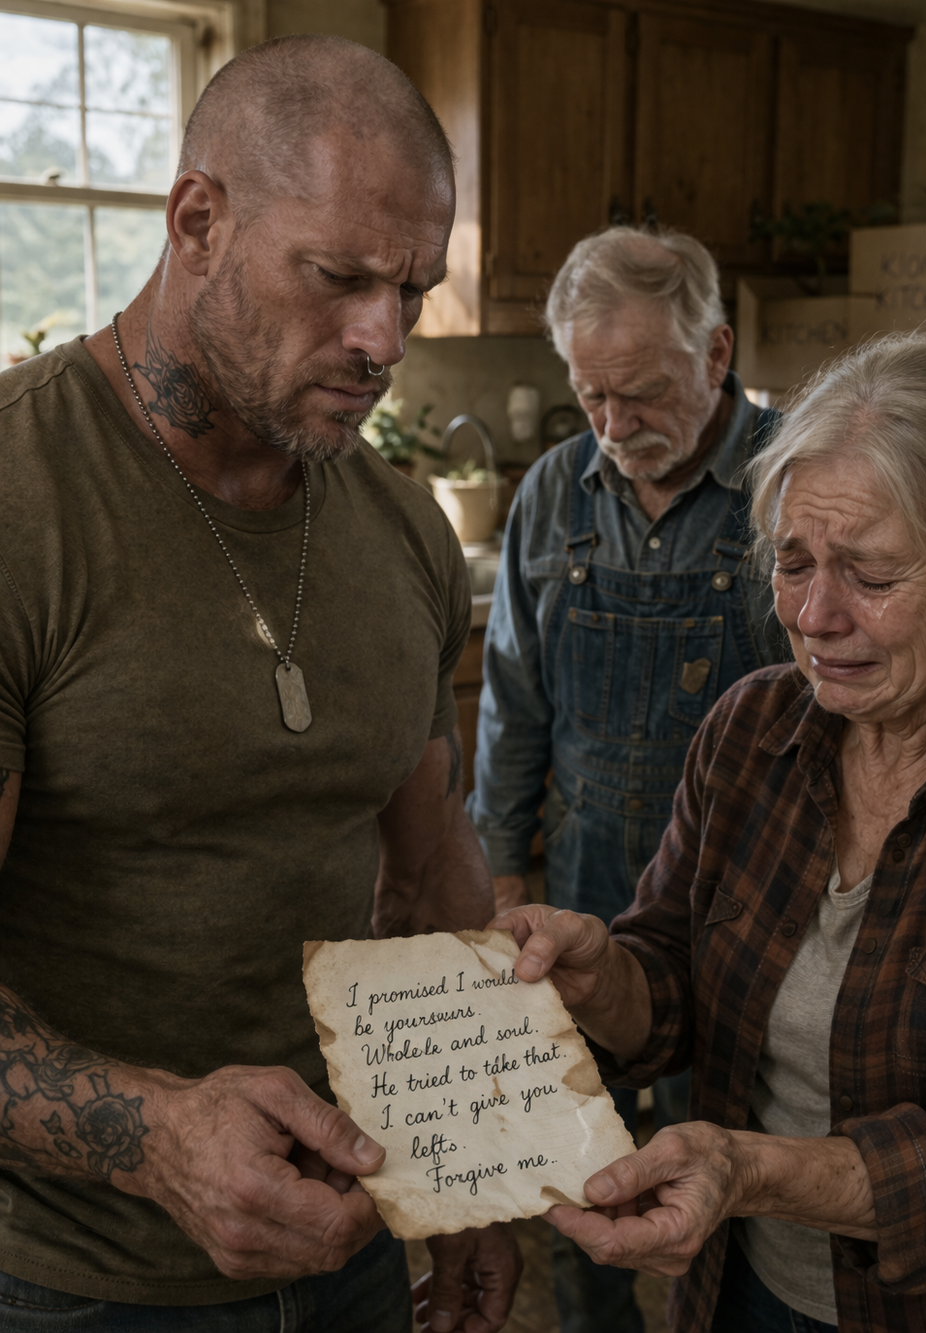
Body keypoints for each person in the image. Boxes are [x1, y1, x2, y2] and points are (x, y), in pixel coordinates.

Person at [0, 35, 520, 1333]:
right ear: (198, 220)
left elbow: (432, 865)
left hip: (349, 1242)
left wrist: (476, 1174)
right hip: (71, 1277)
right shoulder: (21, 500)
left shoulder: (401, 532)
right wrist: (155, 1136)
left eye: (413, 288)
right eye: (340, 278)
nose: (382, 338)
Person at [497, 333, 926, 1333]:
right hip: (735, 1290)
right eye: (791, 561)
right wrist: (601, 973)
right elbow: (676, 983)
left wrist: (741, 1168)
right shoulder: (753, 727)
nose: (815, 615)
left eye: (871, 575)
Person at [467, 227, 789, 1332]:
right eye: (591, 395)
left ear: (717, 353)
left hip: (757, 895)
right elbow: (511, 702)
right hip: (590, 875)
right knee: (580, 1154)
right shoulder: (556, 491)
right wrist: (504, 875)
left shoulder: (799, 478)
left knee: (731, 1165)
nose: (614, 426)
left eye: (642, 394)